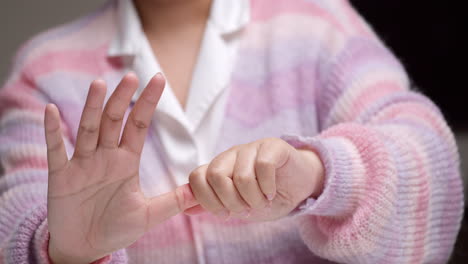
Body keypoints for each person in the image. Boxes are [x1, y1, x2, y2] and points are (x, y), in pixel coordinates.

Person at [0, 0, 463, 263]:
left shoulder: (319, 23)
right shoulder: (42, 71)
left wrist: (318, 173)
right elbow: (15, 220)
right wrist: (62, 251)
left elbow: (430, 165)